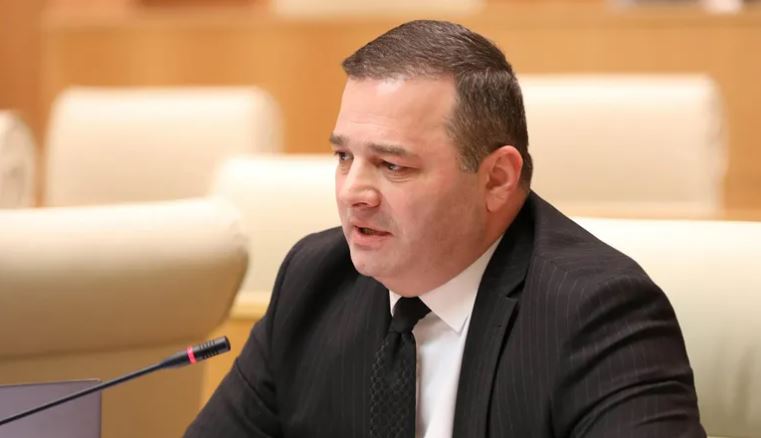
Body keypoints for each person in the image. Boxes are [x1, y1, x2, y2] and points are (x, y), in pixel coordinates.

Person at [185, 20, 704, 437]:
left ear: (496, 179)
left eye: (393, 165)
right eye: (344, 157)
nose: (352, 192)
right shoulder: (315, 281)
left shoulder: (596, 314)